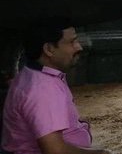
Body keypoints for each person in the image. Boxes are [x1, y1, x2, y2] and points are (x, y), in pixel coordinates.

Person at [2, 22, 113, 154]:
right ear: (49, 49)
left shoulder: (33, 73)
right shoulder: (42, 90)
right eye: (72, 42)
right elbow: (55, 151)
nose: (79, 47)